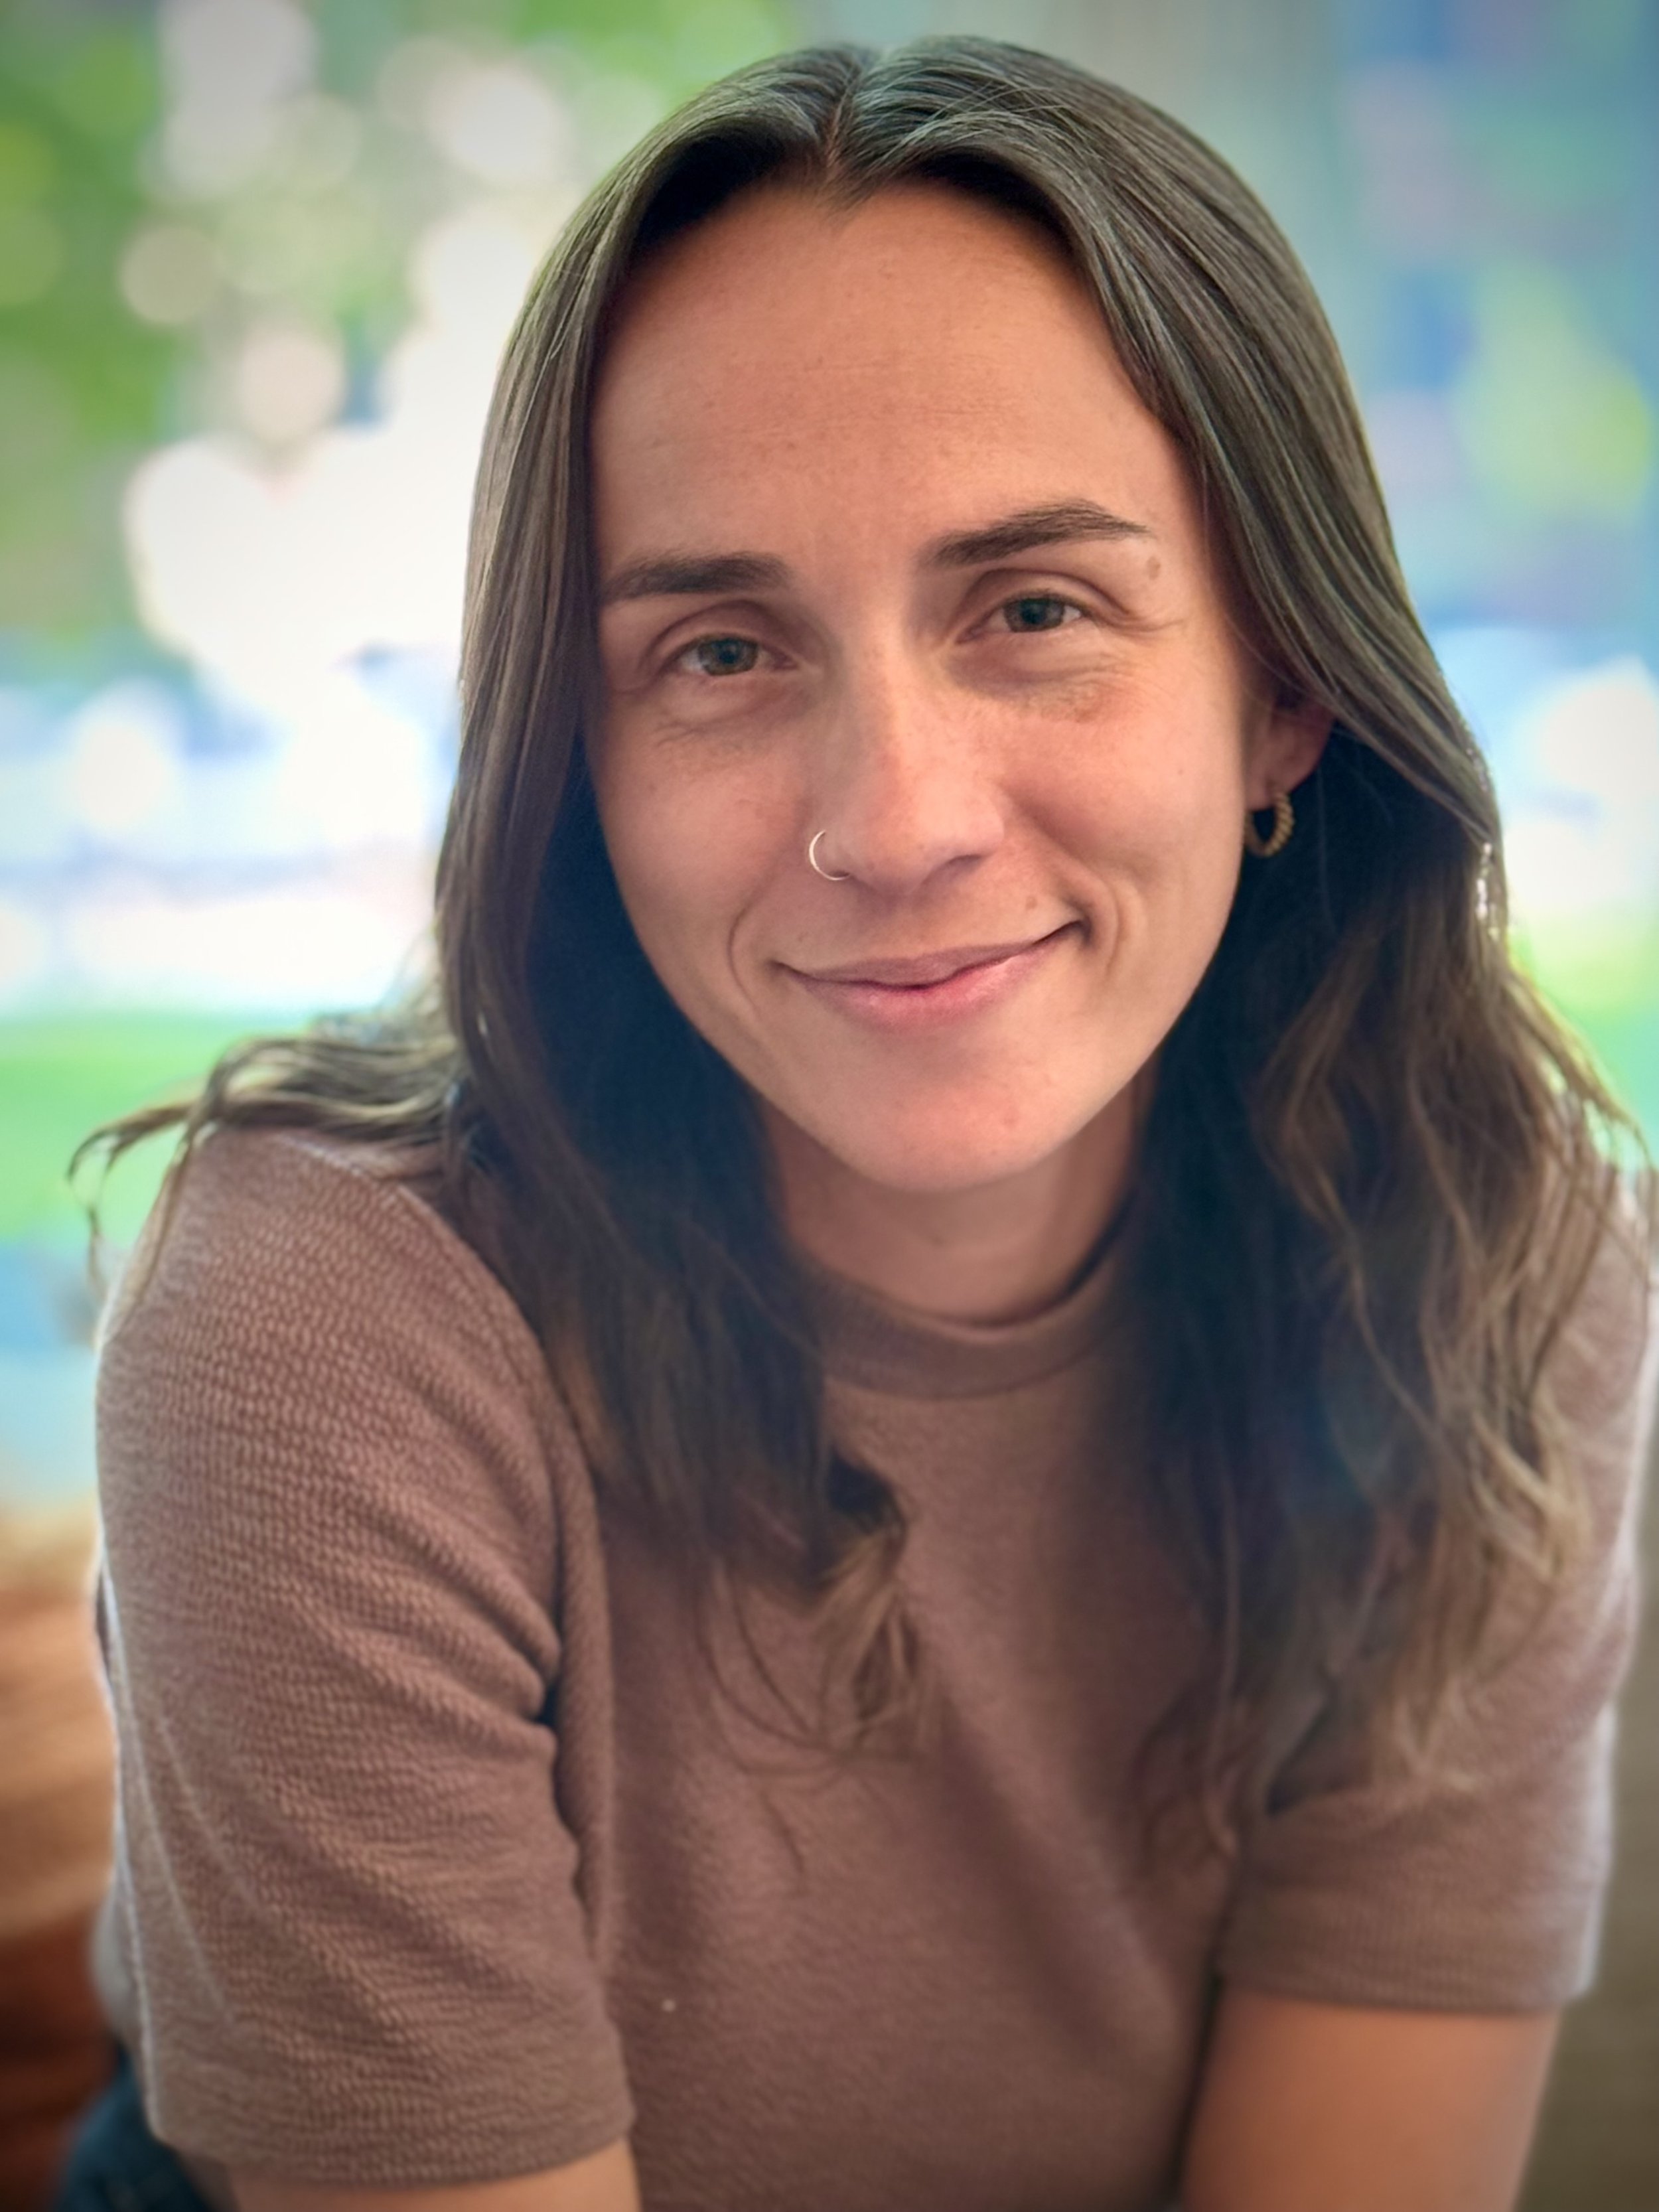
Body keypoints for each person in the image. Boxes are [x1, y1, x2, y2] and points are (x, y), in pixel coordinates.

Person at [55, 36, 1657, 2212]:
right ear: (577, 761)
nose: (892, 822)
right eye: (717, 652)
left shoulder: (1501, 1262)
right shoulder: (322, 1322)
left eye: (1033, 611)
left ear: (1282, 690)